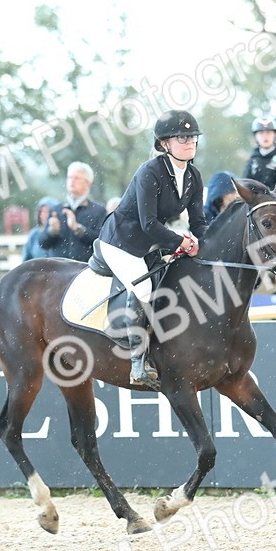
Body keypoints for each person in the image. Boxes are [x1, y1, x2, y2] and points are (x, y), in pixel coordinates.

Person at [96, 109, 207, 388]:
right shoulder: (150, 172)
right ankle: (137, 362)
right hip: (121, 241)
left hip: (152, 243)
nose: (189, 142)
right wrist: (181, 242)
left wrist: (206, 244)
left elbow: (199, 222)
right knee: (144, 288)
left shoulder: (194, 176)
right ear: (164, 144)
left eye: (192, 137)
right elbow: (148, 223)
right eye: (182, 137)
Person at [40, 161, 107, 262]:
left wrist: (78, 229)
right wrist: (51, 232)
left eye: (76, 178)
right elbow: (42, 243)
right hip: (58, 271)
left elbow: (103, 243)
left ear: (88, 183)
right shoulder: (56, 210)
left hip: (86, 271)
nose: (72, 181)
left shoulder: (99, 210)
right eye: (70, 177)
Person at [242, 116, 276, 204]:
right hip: (256, 206)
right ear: (255, 136)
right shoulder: (252, 160)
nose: (265, 136)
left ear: (274, 135)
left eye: (268, 132)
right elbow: (245, 184)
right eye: (261, 133)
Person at [22, 197, 60, 261]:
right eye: (41, 211)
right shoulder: (34, 234)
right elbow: (26, 260)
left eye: (47, 211)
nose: (44, 215)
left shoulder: (63, 233)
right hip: (36, 270)